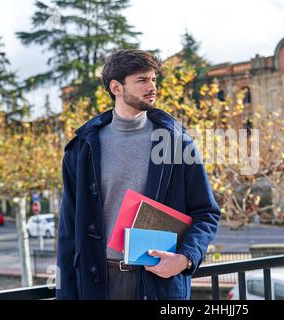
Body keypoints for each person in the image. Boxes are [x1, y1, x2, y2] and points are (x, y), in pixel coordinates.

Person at [56, 49, 221, 300]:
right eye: (142, 80)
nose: (152, 87)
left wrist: (186, 258)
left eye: (154, 79)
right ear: (116, 87)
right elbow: (68, 230)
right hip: (97, 284)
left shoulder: (178, 144)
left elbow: (206, 213)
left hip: (159, 284)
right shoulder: (81, 149)